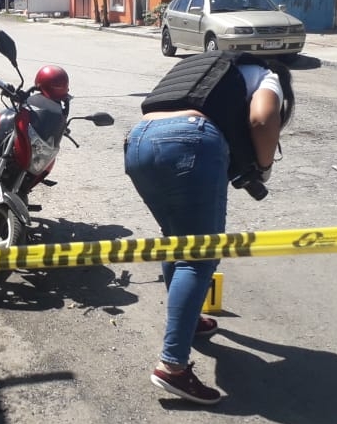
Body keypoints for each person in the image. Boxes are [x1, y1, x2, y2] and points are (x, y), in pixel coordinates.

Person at [123, 51, 295, 405]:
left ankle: (191, 320)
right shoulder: (267, 75)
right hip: (191, 139)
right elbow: (262, 119)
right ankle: (172, 367)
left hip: (138, 139)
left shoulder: (212, 71)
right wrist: (263, 168)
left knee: (178, 242)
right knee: (199, 258)